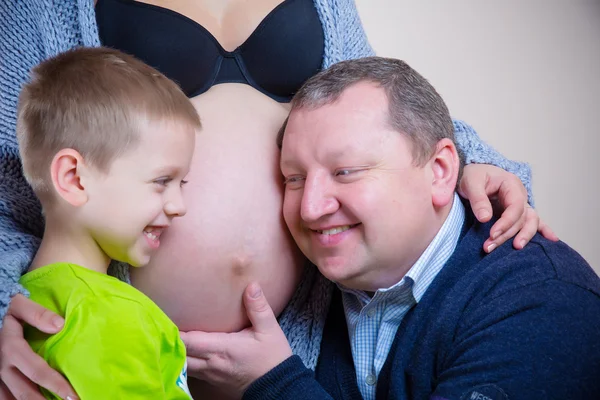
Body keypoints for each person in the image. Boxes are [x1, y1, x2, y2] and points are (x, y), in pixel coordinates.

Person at [0, 1, 555, 399]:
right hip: (104, 345)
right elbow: (20, 171)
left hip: (299, 349)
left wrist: (471, 157)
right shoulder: (41, 10)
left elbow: (376, 104)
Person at [182, 57, 600, 400]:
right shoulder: (315, 294)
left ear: (440, 172)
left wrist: (274, 383)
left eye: (345, 172)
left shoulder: (541, 301)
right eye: (293, 178)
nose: (310, 208)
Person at [16, 47, 199, 399]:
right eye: (162, 181)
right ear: (74, 179)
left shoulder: (27, 303)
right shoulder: (112, 320)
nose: (179, 206)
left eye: (183, 183)